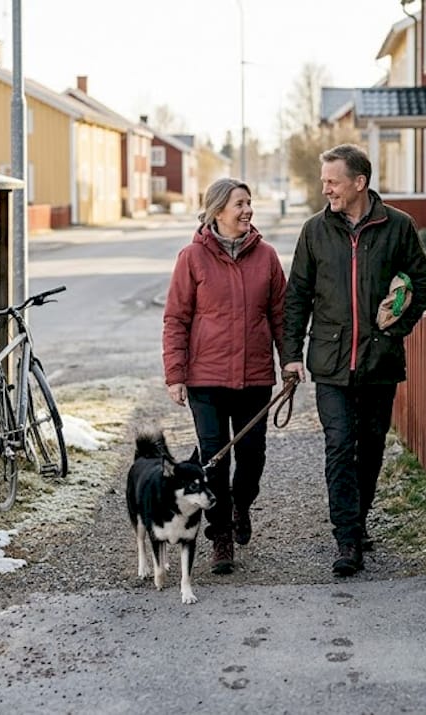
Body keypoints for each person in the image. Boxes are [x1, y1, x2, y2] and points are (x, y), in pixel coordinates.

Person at [281, 144, 426, 577]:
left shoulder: (398, 226)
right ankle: (346, 539)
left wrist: (396, 328)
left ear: (359, 182)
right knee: (338, 446)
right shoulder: (314, 231)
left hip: (379, 362)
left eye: (333, 181)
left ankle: (359, 518)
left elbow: (422, 284)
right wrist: (291, 356)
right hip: (330, 362)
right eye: (324, 181)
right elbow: (297, 296)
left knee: (370, 448)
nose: (325, 189)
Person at [163, 178, 287, 575]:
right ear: (217, 211)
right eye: (240, 204)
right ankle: (220, 536)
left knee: (252, 457)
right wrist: (175, 374)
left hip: (254, 378)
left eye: (249, 203)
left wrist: (290, 361)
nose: (248, 210)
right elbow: (176, 319)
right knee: (214, 460)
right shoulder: (192, 258)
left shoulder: (266, 256)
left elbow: (281, 316)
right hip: (206, 380)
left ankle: (240, 506)